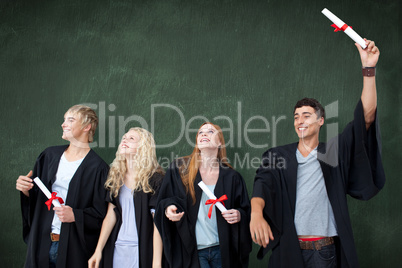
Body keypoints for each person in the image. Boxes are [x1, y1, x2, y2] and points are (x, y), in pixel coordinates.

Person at [250, 39, 386, 267]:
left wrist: (368, 68)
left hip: (325, 253)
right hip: (288, 251)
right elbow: (262, 184)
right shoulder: (278, 155)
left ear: (321, 120)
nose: (299, 121)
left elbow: (367, 116)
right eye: (296, 116)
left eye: (306, 115)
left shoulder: (334, 152)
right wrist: (256, 214)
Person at [16, 105, 110, 268]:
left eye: (70, 120)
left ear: (87, 127)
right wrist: (25, 190)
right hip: (41, 243)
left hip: (72, 249)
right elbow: (35, 200)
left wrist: (76, 215)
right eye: (64, 119)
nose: (63, 124)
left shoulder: (98, 168)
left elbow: (101, 214)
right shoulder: (49, 156)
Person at [155, 122, 252, 268]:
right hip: (192, 251)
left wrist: (239, 215)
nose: (204, 134)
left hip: (222, 250)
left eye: (211, 131)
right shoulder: (180, 169)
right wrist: (169, 208)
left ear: (219, 142)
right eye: (201, 132)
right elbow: (164, 200)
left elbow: (246, 211)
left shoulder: (232, 177)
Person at [88, 127, 165, 268]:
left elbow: (158, 224)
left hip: (142, 250)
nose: (125, 140)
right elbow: (110, 216)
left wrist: (156, 262)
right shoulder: (116, 177)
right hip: (117, 247)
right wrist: (98, 250)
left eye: (131, 139)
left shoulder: (155, 179)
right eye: (124, 138)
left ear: (143, 147)